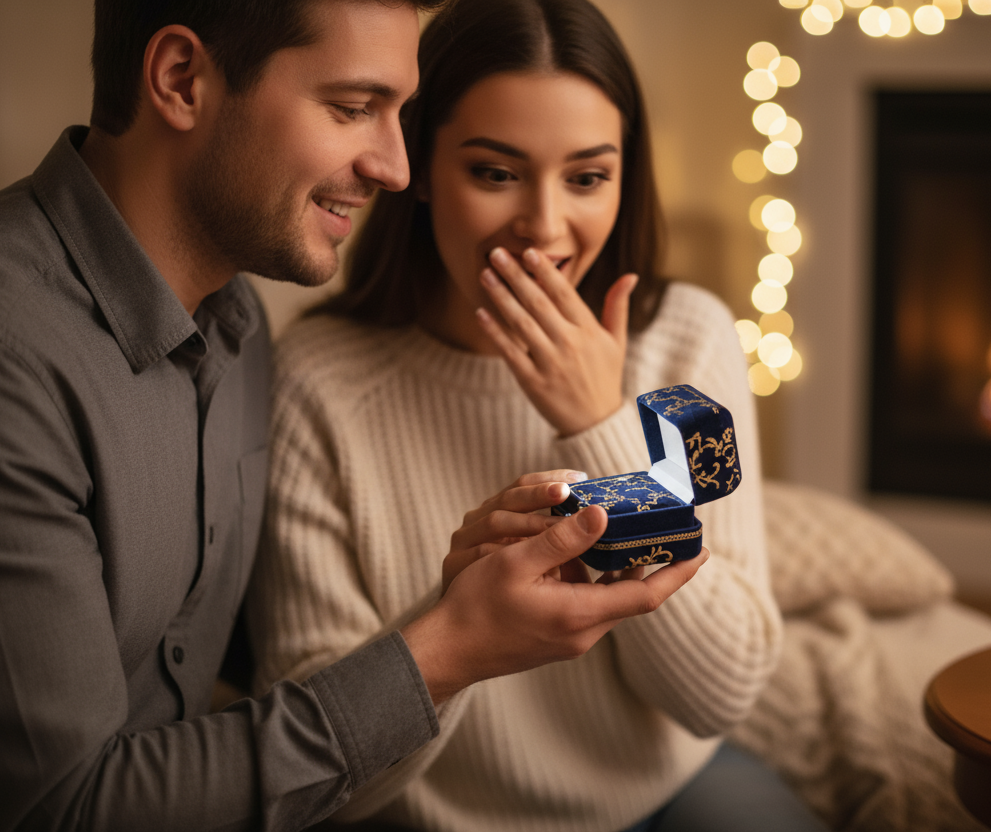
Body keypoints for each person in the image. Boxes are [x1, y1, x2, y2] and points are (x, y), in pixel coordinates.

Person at [0, 1, 707, 829]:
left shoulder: (242, 331)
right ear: (182, 81)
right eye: (353, 109)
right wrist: (450, 646)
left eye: (399, 113)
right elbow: (53, 809)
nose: (397, 167)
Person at [247, 1, 823, 829]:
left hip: (668, 793)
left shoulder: (687, 342)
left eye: (587, 177)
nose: (545, 228)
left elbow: (720, 692)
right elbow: (323, 781)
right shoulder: (320, 381)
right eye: (495, 173)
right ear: (415, 165)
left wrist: (600, 421)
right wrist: (459, 628)